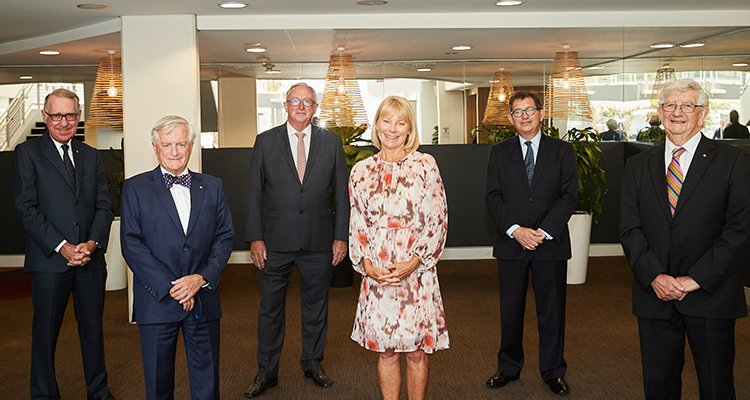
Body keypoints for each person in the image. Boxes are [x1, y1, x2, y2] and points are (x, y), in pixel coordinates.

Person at [620, 79, 750, 399]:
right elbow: (629, 229)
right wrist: (655, 277)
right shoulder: (637, 165)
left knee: (716, 385)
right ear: (660, 112)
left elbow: (739, 229)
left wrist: (694, 279)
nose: (677, 112)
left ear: (702, 114)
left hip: (710, 295)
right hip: (655, 295)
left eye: (687, 106)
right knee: (659, 385)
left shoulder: (733, 161)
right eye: (670, 105)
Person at [244, 82, 349, 397]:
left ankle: (313, 362)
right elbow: (253, 194)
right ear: (286, 106)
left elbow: (341, 196)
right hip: (274, 242)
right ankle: (267, 372)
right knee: (270, 310)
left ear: (315, 108)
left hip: (319, 241)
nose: (301, 106)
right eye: (295, 100)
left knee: (316, 307)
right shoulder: (265, 142)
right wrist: (255, 238)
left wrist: (340, 236)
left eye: (308, 101)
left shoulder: (331, 143)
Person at [120, 116, 234, 399]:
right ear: (155, 147)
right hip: (157, 301)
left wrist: (200, 279)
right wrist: (175, 288)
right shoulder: (134, 188)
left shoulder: (213, 186)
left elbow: (224, 238)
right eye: (167, 144)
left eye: (181, 144)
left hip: (203, 299)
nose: (174, 151)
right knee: (158, 385)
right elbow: (132, 244)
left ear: (191, 146)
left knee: (207, 382)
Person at [12, 88, 115, 400]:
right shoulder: (27, 153)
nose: (63, 122)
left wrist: (92, 244)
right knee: (45, 336)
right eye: (56, 115)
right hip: (50, 262)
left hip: (90, 260)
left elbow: (104, 206)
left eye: (69, 115)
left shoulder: (90, 155)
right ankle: (43, 395)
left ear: (78, 116)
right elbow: (25, 208)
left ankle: (98, 391)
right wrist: (63, 246)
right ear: (45, 117)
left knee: (93, 333)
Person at [349, 96, 449, 400]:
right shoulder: (360, 171)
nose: (392, 129)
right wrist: (366, 265)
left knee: (417, 352)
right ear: (377, 126)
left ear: (409, 128)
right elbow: (357, 222)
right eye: (386, 121)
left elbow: (438, 219)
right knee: (386, 352)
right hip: (377, 272)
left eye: (400, 122)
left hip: (416, 273)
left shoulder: (425, 164)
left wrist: (414, 262)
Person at [484, 91, 578, 396]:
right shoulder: (499, 152)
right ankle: (508, 367)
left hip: (549, 244)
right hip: (512, 244)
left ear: (541, 113)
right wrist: (516, 230)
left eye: (529, 110)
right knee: (510, 310)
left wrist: (542, 232)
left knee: (552, 311)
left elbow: (569, 196)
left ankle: (553, 371)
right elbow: (493, 197)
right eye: (517, 112)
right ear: (511, 119)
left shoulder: (563, 151)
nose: (524, 116)